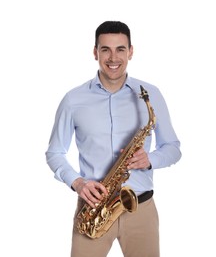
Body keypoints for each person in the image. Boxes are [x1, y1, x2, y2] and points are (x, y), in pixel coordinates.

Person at [45, 21, 181, 257]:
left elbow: (173, 148)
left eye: (120, 49)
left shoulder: (150, 94)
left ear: (131, 51)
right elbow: (54, 153)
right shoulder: (73, 99)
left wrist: (149, 160)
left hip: (141, 209)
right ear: (95, 52)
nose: (113, 57)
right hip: (93, 209)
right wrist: (78, 183)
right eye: (105, 49)